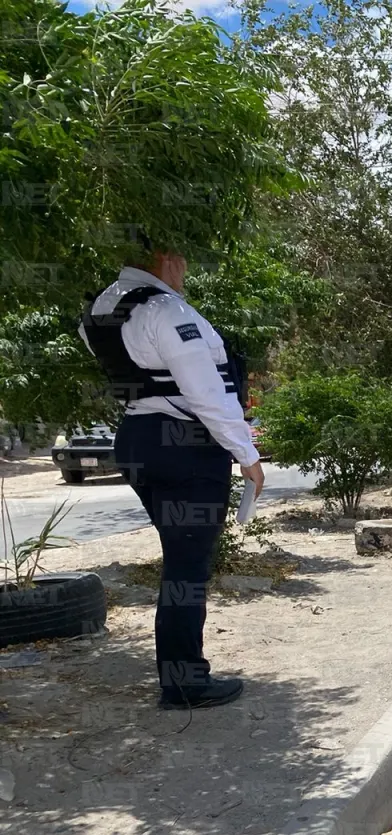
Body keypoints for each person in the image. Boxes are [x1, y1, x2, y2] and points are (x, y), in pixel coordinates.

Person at [79, 235, 264, 711]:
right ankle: (184, 682)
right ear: (163, 257)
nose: (184, 268)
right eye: (180, 257)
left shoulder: (100, 309)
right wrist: (246, 453)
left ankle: (180, 673)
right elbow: (207, 393)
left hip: (138, 438)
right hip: (185, 444)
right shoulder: (169, 312)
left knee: (178, 558)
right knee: (187, 567)